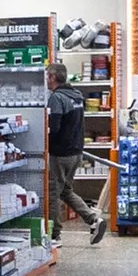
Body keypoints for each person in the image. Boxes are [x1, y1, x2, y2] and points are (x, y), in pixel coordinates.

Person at [45, 62, 106, 243]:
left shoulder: (57, 98)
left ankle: (54, 235)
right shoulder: (77, 96)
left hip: (60, 154)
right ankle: (93, 219)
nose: (46, 80)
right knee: (65, 191)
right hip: (76, 152)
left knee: (53, 193)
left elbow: (54, 128)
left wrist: (43, 135)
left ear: (53, 77)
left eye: (47, 76)